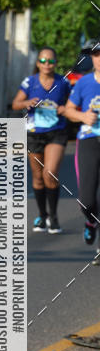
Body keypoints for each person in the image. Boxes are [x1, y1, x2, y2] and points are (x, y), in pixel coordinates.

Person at [12, 47, 71, 234]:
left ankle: (53, 216)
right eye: (43, 61)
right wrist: (26, 103)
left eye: (51, 61)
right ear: (38, 63)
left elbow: (73, 104)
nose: (47, 65)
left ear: (55, 63)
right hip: (34, 132)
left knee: (50, 173)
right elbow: (15, 104)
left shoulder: (63, 82)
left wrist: (64, 109)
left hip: (57, 132)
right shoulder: (30, 82)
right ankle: (42, 215)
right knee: (38, 178)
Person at [65, 41, 100, 253]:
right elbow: (69, 110)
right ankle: (90, 221)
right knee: (86, 200)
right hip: (88, 140)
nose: (98, 58)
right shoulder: (84, 83)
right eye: (95, 55)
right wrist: (82, 116)